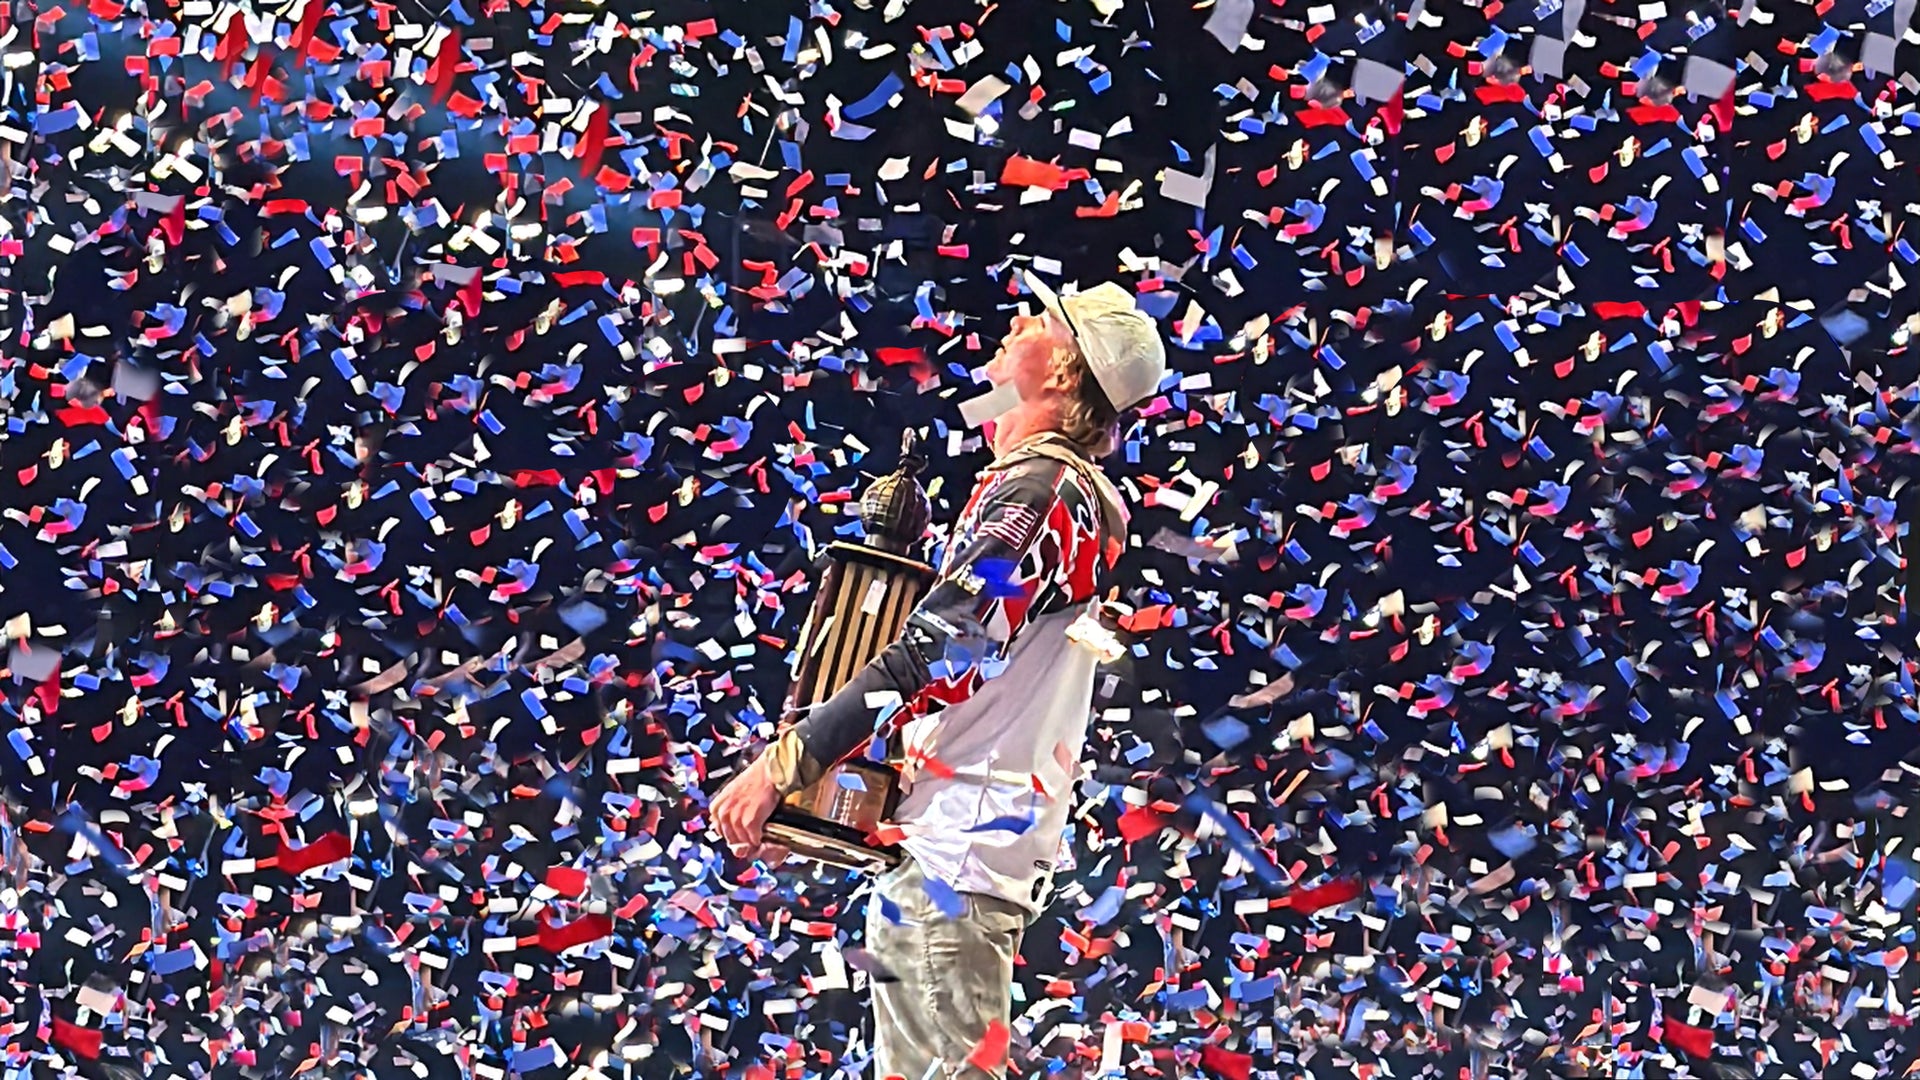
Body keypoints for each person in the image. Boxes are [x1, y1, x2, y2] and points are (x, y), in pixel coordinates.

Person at [710, 271, 1167, 1079]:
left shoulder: (1042, 492)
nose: (1015, 324)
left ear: (1064, 372)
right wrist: (816, 809)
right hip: (951, 851)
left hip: (955, 860)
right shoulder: (1061, 490)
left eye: (1040, 321)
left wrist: (786, 764)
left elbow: (942, 653)